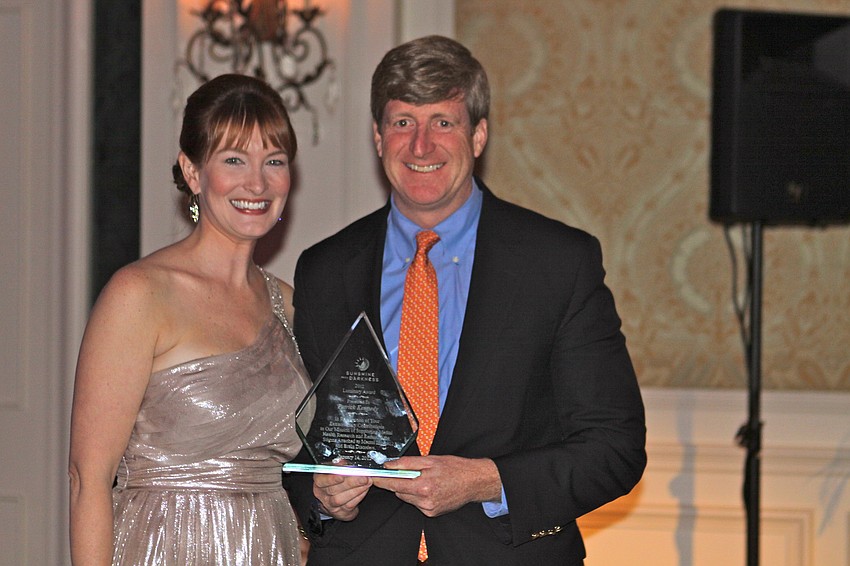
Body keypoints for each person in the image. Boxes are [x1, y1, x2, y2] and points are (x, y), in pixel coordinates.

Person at [284, 35, 646, 565]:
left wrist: (486, 481)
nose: (421, 146)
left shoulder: (557, 263)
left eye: (443, 122)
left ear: (478, 136)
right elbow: (299, 445)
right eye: (403, 122)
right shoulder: (324, 270)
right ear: (378, 139)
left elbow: (614, 448)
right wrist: (318, 494)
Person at [68, 74, 313, 566]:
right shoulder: (139, 295)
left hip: (273, 548)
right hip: (165, 546)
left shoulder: (288, 303)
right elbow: (87, 480)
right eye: (234, 160)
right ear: (193, 171)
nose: (258, 183)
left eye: (274, 162)